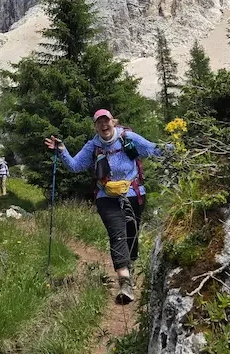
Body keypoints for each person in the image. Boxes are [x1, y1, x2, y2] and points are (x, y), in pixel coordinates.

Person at [45, 109, 167, 305]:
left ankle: (129, 266)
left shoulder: (128, 138)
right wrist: (62, 150)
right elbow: (76, 166)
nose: (104, 125)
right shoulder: (92, 146)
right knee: (117, 235)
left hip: (133, 194)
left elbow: (153, 149)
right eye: (99, 122)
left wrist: (178, 147)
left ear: (113, 122)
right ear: (95, 126)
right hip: (106, 197)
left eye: (106, 121)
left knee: (131, 235)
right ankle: (125, 283)